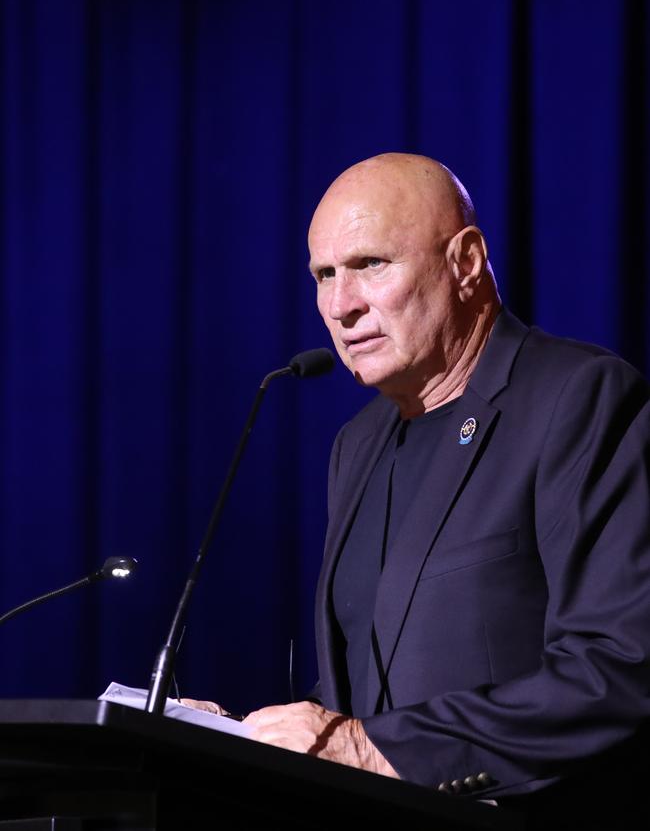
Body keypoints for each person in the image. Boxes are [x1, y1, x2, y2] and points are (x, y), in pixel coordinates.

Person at [186, 153, 650, 825]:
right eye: (324, 274)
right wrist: (240, 736)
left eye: (371, 264)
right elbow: (371, 697)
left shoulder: (578, 399)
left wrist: (374, 746)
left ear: (465, 262)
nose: (341, 305)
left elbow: (619, 669)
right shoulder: (359, 443)